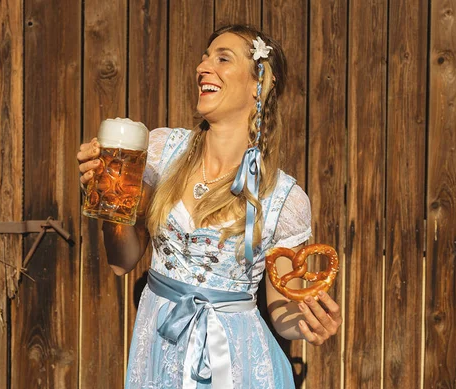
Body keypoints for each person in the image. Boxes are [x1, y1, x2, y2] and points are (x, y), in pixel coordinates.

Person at [77, 24, 342, 389]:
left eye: (222, 58)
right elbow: (121, 262)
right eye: (204, 57)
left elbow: (281, 312)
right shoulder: (159, 152)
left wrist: (308, 323)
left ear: (257, 84)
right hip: (157, 349)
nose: (203, 67)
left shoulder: (283, 196)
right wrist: (108, 203)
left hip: (237, 366)